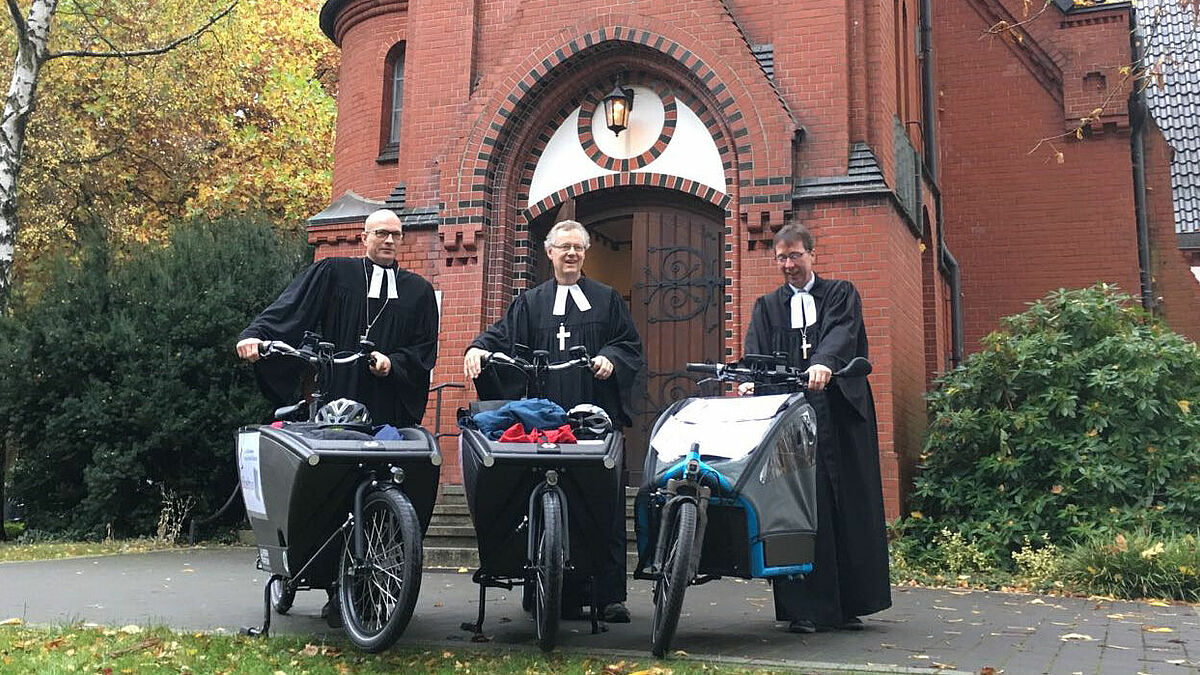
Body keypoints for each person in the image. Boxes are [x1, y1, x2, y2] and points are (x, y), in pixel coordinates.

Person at [463, 219, 645, 623]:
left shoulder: (606, 299)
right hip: (545, 424)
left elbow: (629, 344)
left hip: (592, 420)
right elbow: (501, 338)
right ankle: (548, 592)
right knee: (547, 505)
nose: (571, 254)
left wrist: (610, 360)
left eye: (578, 248)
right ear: (549, 253)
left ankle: (608, 596)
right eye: (564, 247)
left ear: (585, 253)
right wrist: (476, 349)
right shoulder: (530, 303)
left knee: (604, 504)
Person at [740, 221, 891, 633]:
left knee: (847, 503)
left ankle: (850, 604)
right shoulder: (767, 306)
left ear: (812, 255)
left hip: (839, 415)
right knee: (800, 506)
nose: (788, 264)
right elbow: (755, 351)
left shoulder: (840, 293)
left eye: (795, 255)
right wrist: (752, 378)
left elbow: (843, 334)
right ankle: (804, 608)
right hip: (793, 420)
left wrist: (823, 362)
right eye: (781, 258)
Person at [237, 209, 438, 428]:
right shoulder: (335, 272)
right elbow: (292, 307)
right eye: (381, 233)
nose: (389, 240)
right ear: (364, 238)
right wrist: (255, 336)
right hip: (337, 389)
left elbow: (424, 349)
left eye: (395, 235)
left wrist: (393, 363)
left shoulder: (419, 291)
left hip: (387, 399)